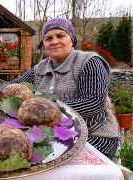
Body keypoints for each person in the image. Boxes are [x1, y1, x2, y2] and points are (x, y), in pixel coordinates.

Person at [11, 17, 119, 159]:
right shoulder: (39, 69)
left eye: (60, 36)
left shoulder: (89, 62)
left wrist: (45, 111)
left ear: (72, 39)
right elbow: (12, 88)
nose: (54, 41)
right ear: (44, 43)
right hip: (55, 136)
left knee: (70, 168)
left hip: (95, 134)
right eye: (48, 38)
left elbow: (94, 102)